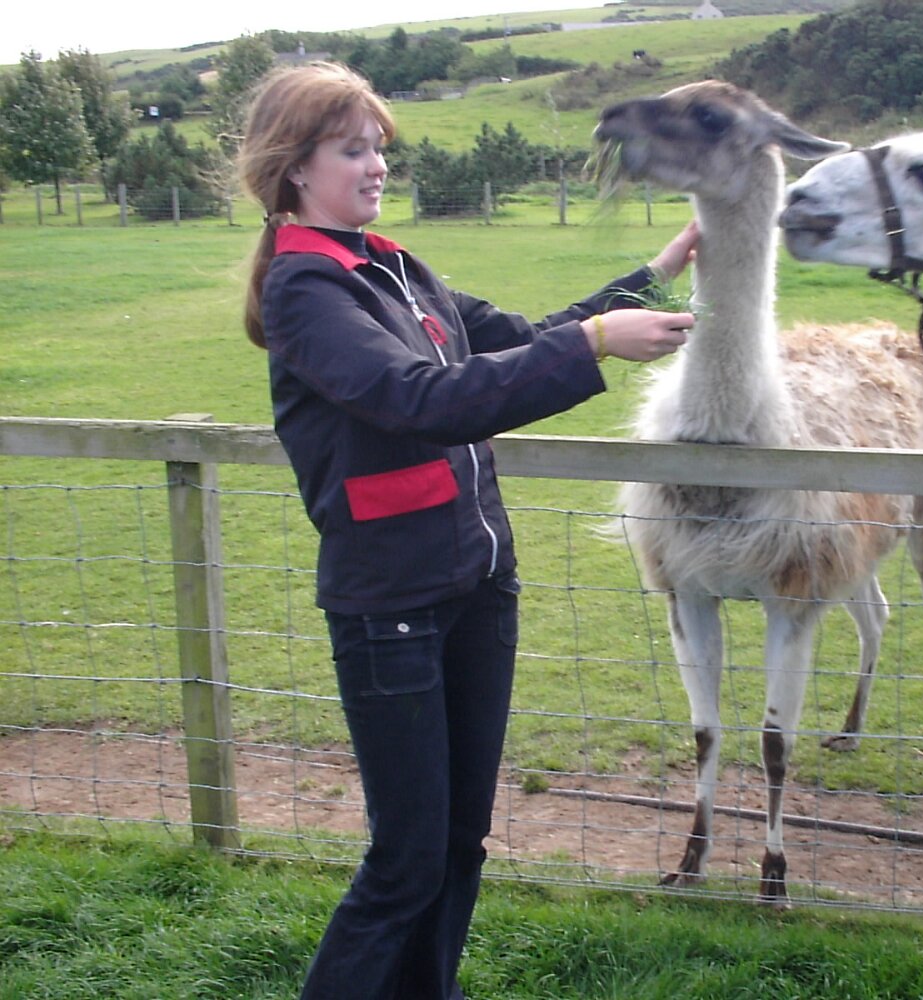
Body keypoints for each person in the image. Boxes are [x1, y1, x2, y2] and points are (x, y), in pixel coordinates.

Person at [236, 62, 698, 1000]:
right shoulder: (305, 289)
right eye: (352, 149)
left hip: (479, 592)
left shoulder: (397, 268)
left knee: (458, 843)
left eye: (377, 147)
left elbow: (523, 337)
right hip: (392, 608)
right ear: (295, 167)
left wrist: (650, 277)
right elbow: (422, 400)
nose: (375, 165)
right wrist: (594, 346)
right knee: (405, 862)